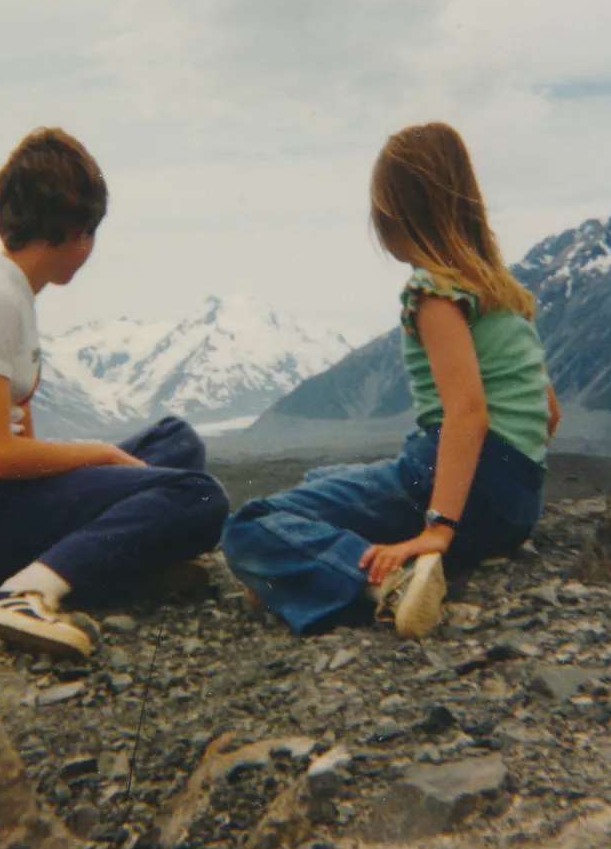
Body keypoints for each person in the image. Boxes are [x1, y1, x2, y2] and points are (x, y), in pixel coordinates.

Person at [221, 122, 559, 640]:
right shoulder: (506, 296)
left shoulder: (434, 293)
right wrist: (497, 492)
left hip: (453, 485)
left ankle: (387, 584)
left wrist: (438, 528)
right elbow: (547, 413)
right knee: (319, 484)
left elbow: (467, 412)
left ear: (395, 213)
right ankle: (325, 564)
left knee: (250, 525)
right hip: (518, 506)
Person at [0, 127, 230, 659]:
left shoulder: (11, 295)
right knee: (198, 494)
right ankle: (23, 593)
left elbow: (20, 445)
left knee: (177, 441)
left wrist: (92, 473)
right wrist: (99, 456)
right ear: (78, 231)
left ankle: (101, 560)